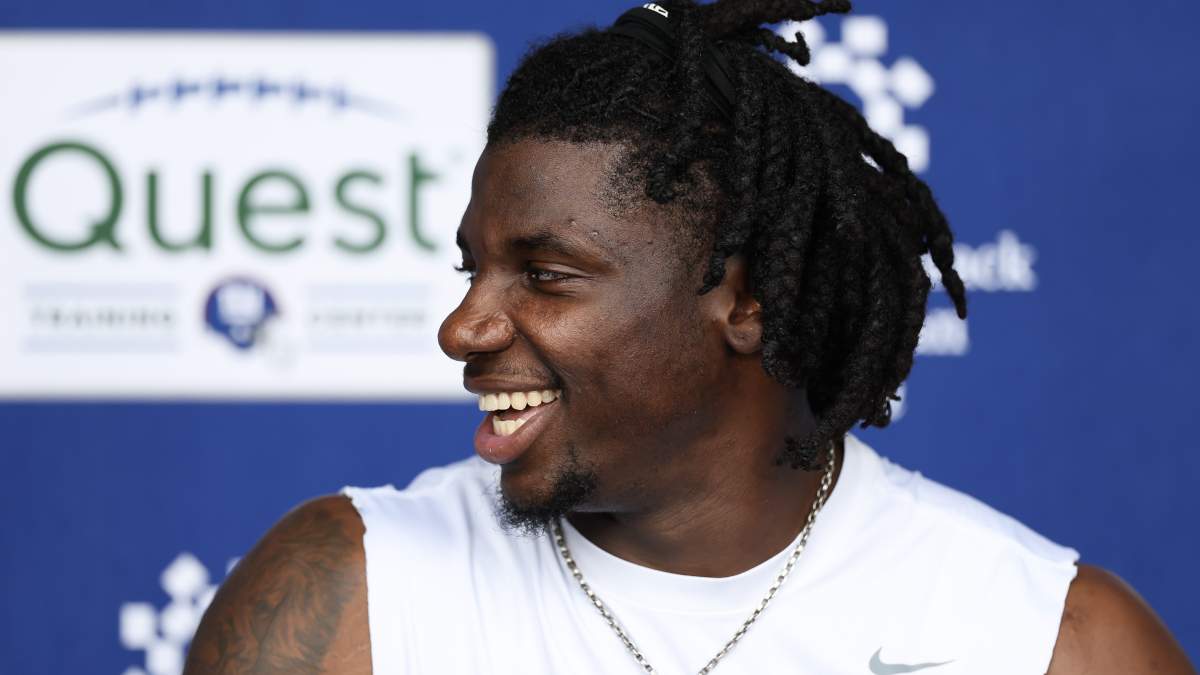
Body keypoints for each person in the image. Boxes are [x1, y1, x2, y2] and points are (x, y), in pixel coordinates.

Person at [184, 1, 1195, 673]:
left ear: (743, 300)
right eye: (471, 270)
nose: (463, 328)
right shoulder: (346, 603)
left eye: (545, 274)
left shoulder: (1049, 644)